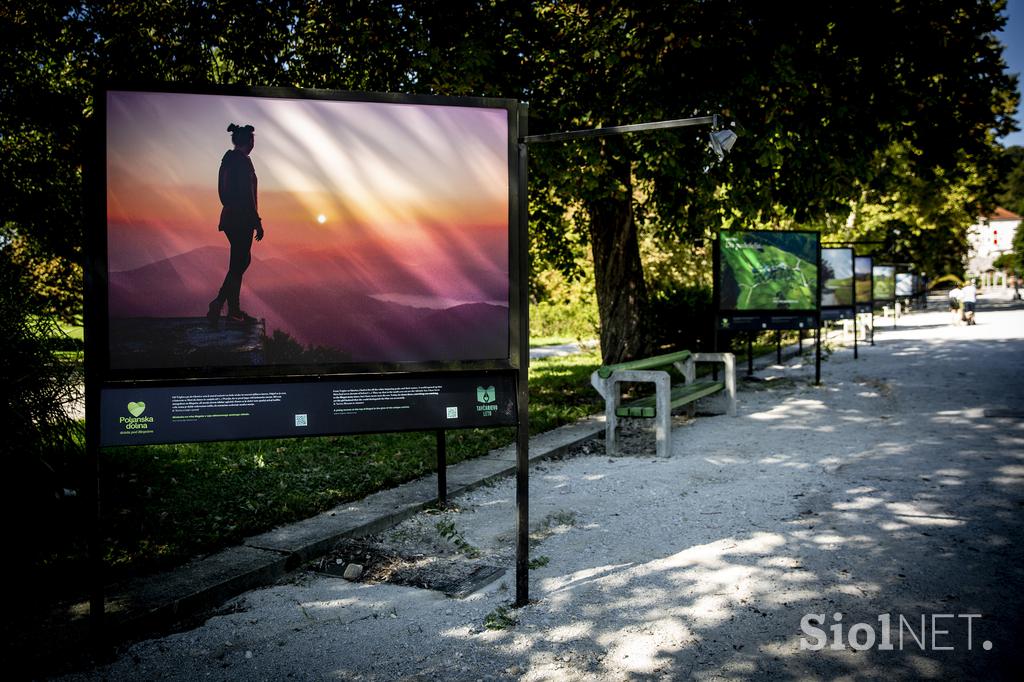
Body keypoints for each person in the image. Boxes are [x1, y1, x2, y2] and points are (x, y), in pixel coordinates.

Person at [208, 123, 264, 323]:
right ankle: (222, 303)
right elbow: (247, 195)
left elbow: (224, 192)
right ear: (248, 141)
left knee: (240, 261)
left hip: (230, 217)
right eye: (252, 140)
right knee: (240, 262)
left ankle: (232, 309)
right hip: (242, 220)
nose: (253, 144)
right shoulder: (242, 162)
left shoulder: (228, 160)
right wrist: (257, 221)